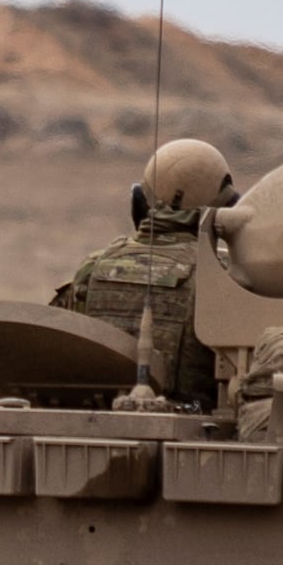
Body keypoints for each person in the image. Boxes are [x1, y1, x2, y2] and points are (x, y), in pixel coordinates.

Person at [56, 136, 232, 407]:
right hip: (198, 434)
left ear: (139, 202)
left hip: (98, 426)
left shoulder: (94, 268)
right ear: (225, 211)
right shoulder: (224, 277)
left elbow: (61, 349)